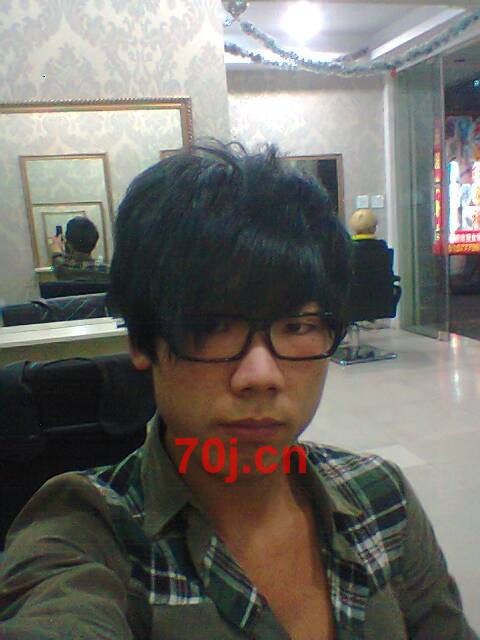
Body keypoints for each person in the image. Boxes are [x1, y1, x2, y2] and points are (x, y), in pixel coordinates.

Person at [0, 142, 477, 640]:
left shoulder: (381, 498)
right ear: (142, 339)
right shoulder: (89, 532)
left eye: (296, 326)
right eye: (213, 326)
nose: (261, 375)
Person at [49, 215, 109, 282]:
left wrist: (56, 250)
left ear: (69, 245)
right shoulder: (106, 271)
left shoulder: (62, 270)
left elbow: (54, 268)